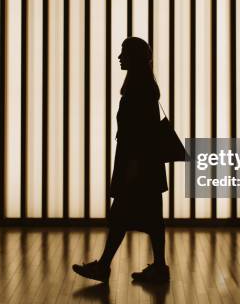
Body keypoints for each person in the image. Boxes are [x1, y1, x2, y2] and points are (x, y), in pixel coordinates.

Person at [72, 37, 169, 284]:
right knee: (149, 218)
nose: (119, 57)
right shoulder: (145, 85)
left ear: (134, 57)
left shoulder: (139, 88)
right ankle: (157, 267)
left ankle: (105, 267)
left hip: (136, 162)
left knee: (121, 216)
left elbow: (138, 132)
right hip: (144, 162)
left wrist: (132, 168)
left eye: (124, 52)